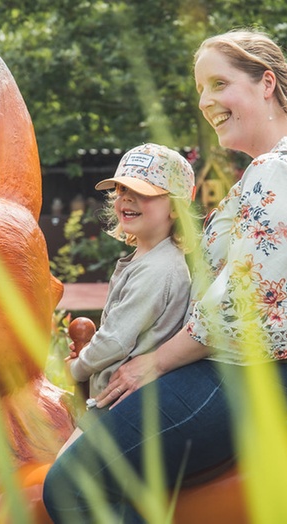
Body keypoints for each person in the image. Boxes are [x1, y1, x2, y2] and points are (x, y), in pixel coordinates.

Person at [43, 28, 287, 523]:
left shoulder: (279, 170)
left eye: (219, 84)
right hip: (243, 370)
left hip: (248, 375)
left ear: (267, 83)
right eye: (201, 89)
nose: (206, 101)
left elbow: (242, 302)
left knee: (72, 486)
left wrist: (154, 363)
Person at [57, 143, 197, 455]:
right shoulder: (145, 259)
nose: (126, 198)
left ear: (175, 208)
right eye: (121, 189)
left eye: (143, 191)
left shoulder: (159, 270)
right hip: (113, 395)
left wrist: (76, 369)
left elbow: (115, 341)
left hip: (123, 401)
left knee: (63, 473)